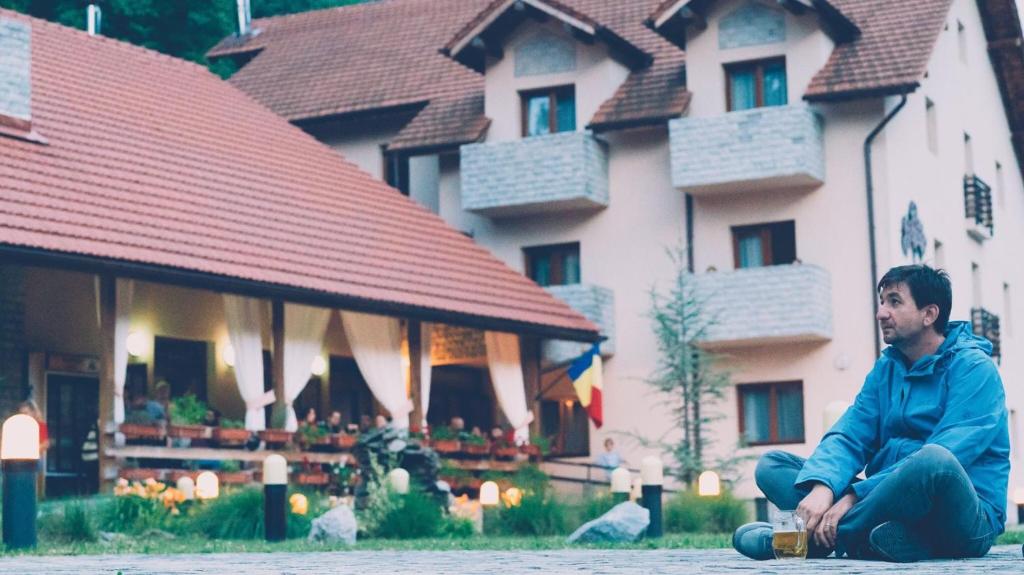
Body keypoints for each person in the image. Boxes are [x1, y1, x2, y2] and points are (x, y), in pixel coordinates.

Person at [733, 265, 1009, 563]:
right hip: (886, 505)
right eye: (881, 302)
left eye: (894, 301)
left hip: (965, 519)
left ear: (929, 314)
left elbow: (950, 451)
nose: (881, 313)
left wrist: (854, 496)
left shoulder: (974, 369)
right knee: (772, 465)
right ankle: (885, 539)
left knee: (935, 460)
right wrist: (823, 487)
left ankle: (807, 541)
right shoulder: (887, 369)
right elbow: (851, 435)